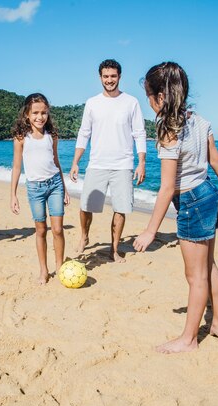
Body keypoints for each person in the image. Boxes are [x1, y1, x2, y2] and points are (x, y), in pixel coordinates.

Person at [133, 62, 218, 354]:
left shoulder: (168, 129)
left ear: (160, 96)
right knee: (209, 266)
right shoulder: (200, 120)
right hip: (209, 193)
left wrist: (149, 231)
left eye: (148, 95)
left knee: (195, 277)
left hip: (192, 201)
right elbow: (215, 160)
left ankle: (189, 339)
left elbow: (167, 187)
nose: (148, 101)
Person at [69, 59, 147, 263]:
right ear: (100, 77)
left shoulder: (131, 102)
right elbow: (84, 133)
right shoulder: (92, 103)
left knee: (121, 208)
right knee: (86, 206)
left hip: (123, 165)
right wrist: (76, 161)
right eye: (106, 76)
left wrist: (142, 162)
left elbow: (139, 133)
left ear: (119, 76)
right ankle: (84, 236)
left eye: (113, 76)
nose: (109, 80)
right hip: (97, 164)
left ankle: (114, 249)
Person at [10, 93, 70, 285]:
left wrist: (65, 189)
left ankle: (60, 267)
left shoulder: (51, 136)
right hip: (35, 189)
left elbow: (56, 162)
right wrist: (13, 195)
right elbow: (17, 167)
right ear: (27, 114)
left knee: (58, 229)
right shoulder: (21, 138)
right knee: (41, 230)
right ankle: (44, 270)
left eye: (44, 112)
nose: (40, 117)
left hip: (55, 185)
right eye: (35, 112)